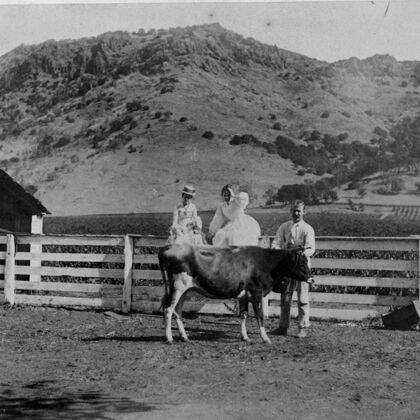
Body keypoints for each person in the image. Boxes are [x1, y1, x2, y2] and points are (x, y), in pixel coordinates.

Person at [271, 200, 315, 338]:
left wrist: (300, 252)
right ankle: (283, 326)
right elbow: (275, 244)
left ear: (303, 212)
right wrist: (285, 249)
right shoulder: (284, 227)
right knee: (285, 297)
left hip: (301, 268)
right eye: (294, 210)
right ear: (290, 211)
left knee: (302, 298)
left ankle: (302, 327)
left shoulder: (307, 229)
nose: (296, 213)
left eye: (299, 211)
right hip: (287, 267)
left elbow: (311, 248)